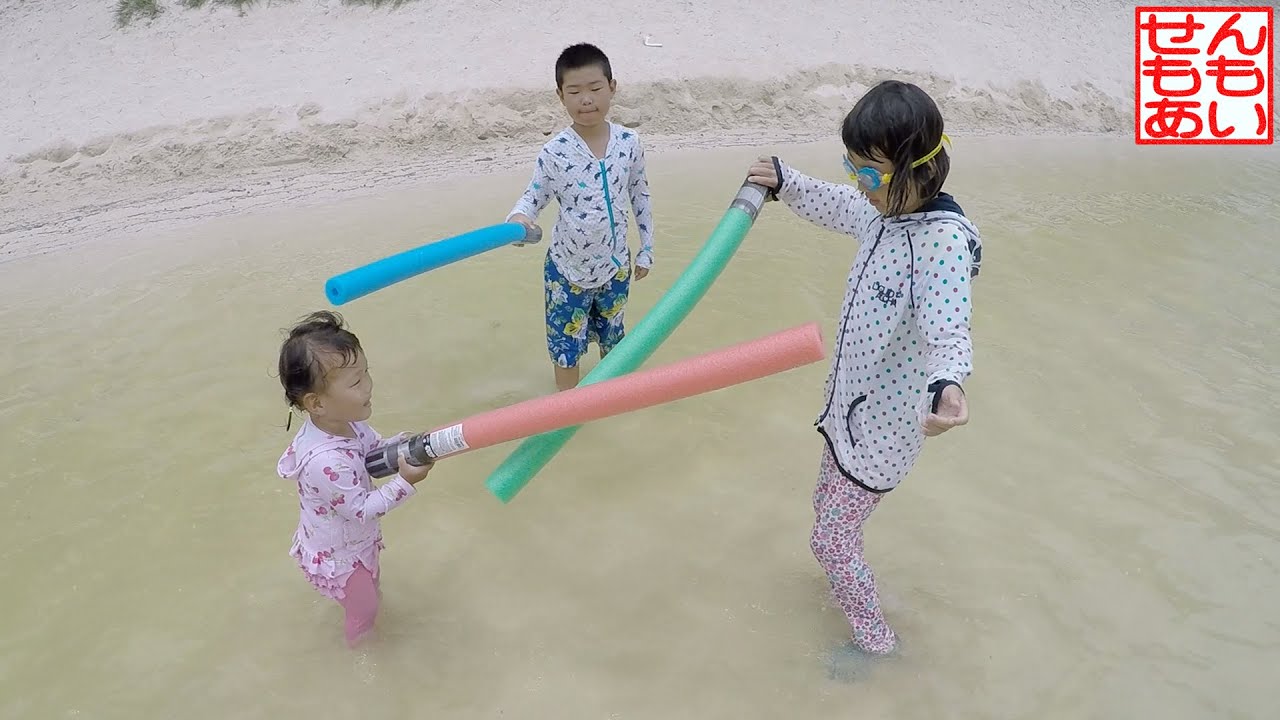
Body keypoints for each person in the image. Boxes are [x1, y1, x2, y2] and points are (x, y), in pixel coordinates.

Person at [744, 80, 983, 657]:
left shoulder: (941, 244)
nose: (860, 185)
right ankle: (850, 583)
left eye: (871, 173)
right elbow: (838, 204)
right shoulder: (885, 213)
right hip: (848, 413)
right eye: (853, 168)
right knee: (827, 518)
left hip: (884, 431)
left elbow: (948, 328)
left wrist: (949, 387)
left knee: (828, 539)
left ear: (920, 171)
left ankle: (876, 642)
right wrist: (787, 179)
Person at [274, 311, 434, 648]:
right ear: (316, 403)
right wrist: (406, 482)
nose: (369, 387)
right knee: (364, 611)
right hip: (338, 555)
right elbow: (361, 509)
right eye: (356, 382)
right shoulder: (325, 461)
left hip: (354, 543)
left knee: (371, 590)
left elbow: (371, 452)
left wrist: (400, 446)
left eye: (366, 375)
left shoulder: (347, 421)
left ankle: (365, 627)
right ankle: (364, 659)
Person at [507, 42, 656, 391]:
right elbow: (534, 195)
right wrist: (517, 218)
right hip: (567, 274)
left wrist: (647, 247)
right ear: (561, 96)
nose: (586, 99)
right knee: (566, 351)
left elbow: (640, 194)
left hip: (616, 266)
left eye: (595, 88)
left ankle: (612, 400)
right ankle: (568, 414)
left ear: (612, 87)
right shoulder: (555, 151)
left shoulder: (629, 142)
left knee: (614, 342)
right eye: (574, 91)